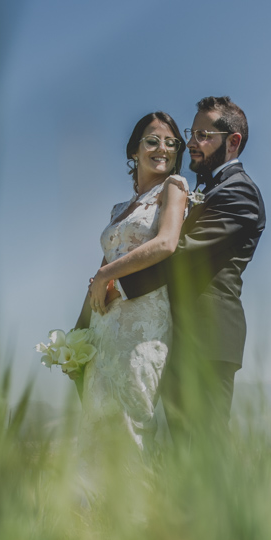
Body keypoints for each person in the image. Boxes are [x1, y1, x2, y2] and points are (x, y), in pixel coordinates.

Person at [113, 96, 265, 441]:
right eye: (192, 133)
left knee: (205, 454)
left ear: (233, 140)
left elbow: (179, 254)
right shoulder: (208, 189)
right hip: (177, 337)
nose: (192, 144)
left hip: (207, 340)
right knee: (180, 456)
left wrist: (118, 286)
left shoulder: (239, 193)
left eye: (203, 135)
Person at [75, 111, 190, 457]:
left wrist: (109, 276)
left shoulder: (174, 188)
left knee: (131, 414)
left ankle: (137, 510)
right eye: (152, 141)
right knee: (97, 415)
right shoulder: (118, 208)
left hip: (143, 318)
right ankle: (93, 509)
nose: (163, 149)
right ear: (134, 151)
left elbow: (167, 243)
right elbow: (101, 269)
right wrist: (77, 332)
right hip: (104, 323)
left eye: (171, 143)